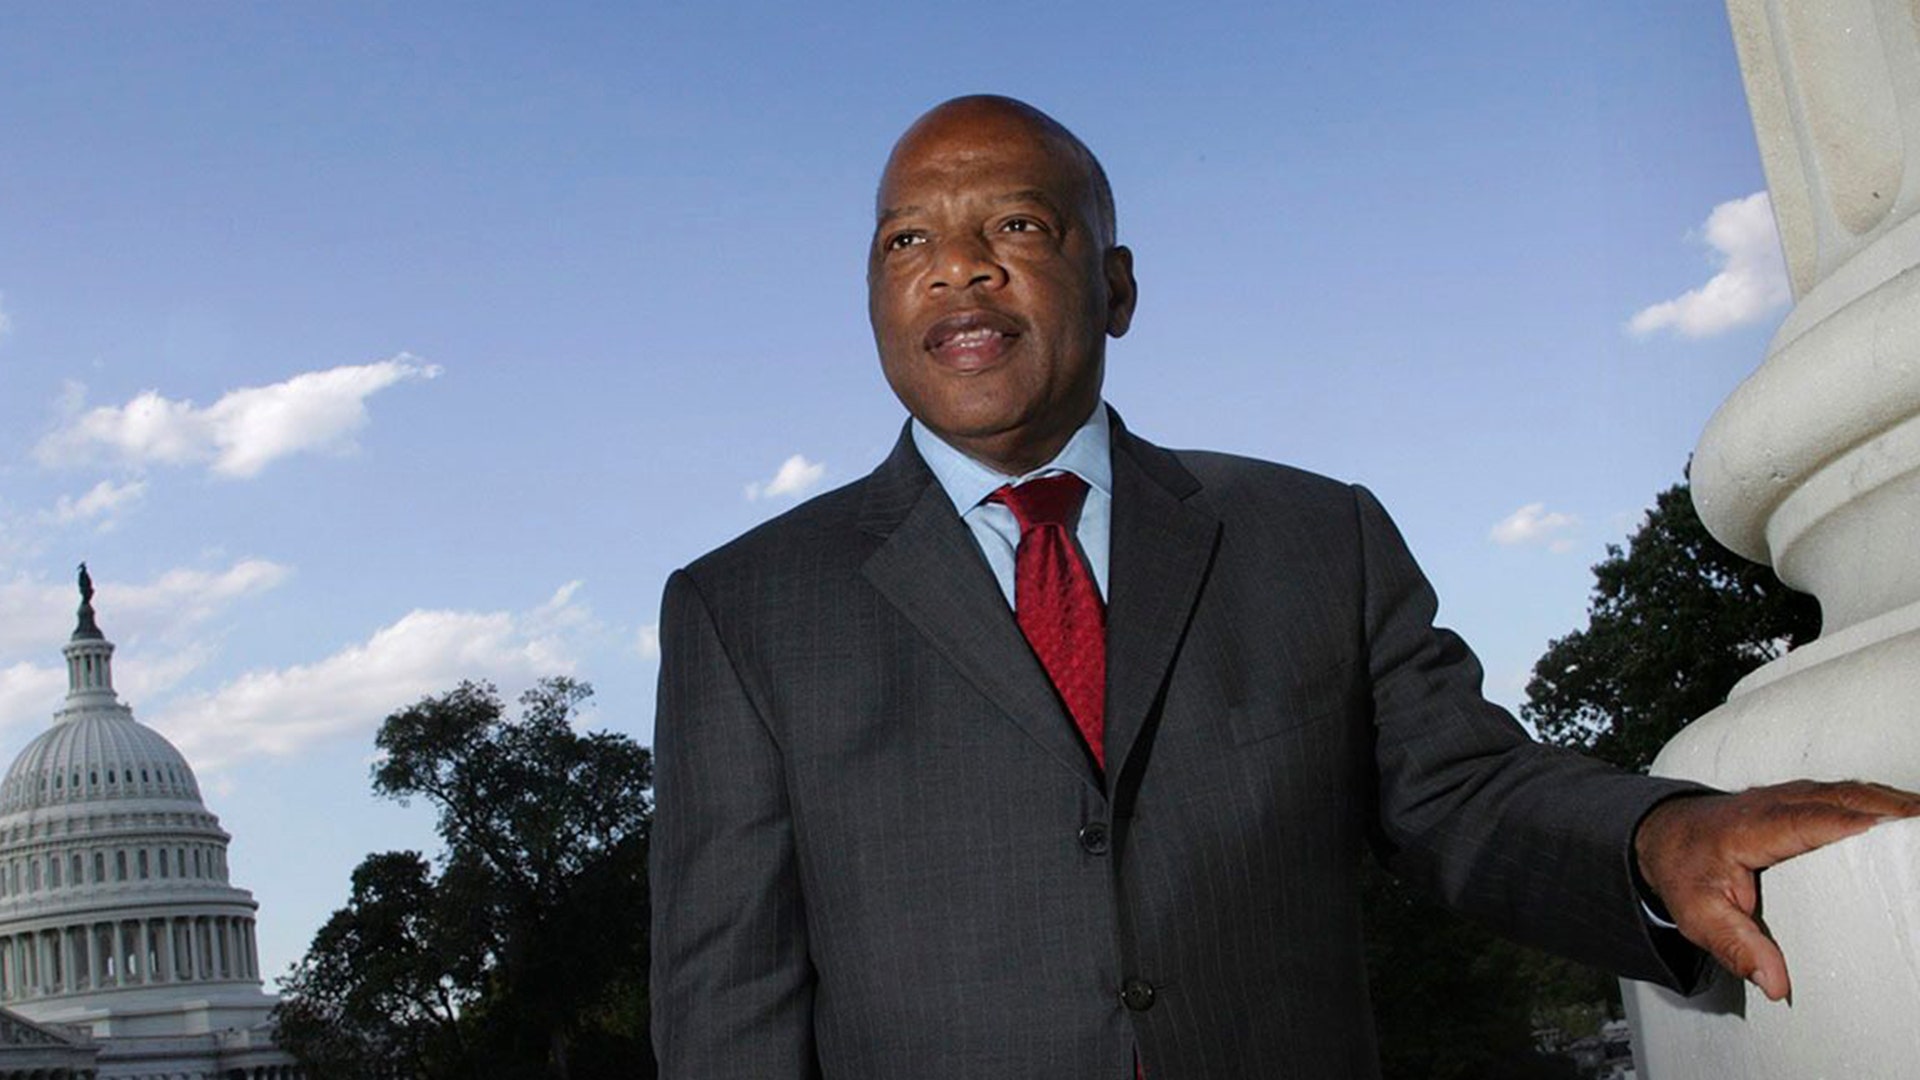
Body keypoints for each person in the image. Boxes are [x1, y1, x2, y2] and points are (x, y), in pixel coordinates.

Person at [649, 95, 1920, 1079]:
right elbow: (730, 1007)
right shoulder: (743, 611)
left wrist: (1657, 838)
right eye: (907, 239)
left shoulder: (1316, 537)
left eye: (1018, 228)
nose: (959, 267)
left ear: (1119, 285)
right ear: (875, 296)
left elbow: (1462, 796)